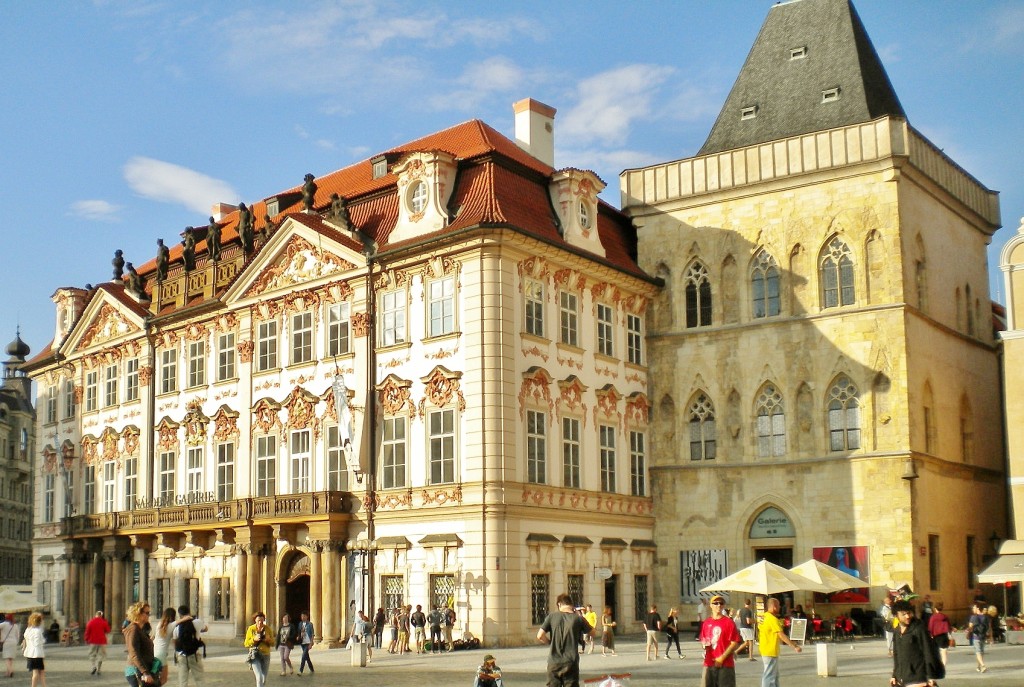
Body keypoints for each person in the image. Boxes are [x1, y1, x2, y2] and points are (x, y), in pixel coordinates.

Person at [537, 593, 592, 687]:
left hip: (554, 662)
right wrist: (580, 616)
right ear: (571, 605)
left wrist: (550, 642)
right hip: (571, 662)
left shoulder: (552, 616)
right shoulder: (578, 618)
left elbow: (540, 636)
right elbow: (593, 632)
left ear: (559, 604)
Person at [890, 599, 942, 687]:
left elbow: (928, 651)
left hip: (918, 676)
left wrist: (930, 676)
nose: (907, 616)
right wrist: (894, 675)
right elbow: (897, 655)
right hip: (901, 678)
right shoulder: (897, 631)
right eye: (903, 614)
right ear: (896, 616)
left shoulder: (918, 628)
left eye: (909, 613)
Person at [700, 594, 741, 687]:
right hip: (709, 663)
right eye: (715, 603)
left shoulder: (729, 622)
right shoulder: (706, 623)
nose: (718, 605)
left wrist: (721, 658)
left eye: (721, 603)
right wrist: (704, 645)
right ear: (710, 605)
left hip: (725, 664)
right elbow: (703, 639)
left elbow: (734, 643)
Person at [759, 597, 802, 687]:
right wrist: (794, 646)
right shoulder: (772, 619)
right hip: (770, 649)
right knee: (769, 675)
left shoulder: (764, 616)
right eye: (778, 605)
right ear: (774, 606)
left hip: (765, 648)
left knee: (774, 675)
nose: (779, 607)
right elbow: (781, 635)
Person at [122, 602, 157, 687]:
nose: (149, 615)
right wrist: (144, 672)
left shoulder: (140, 629)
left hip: (143, 668)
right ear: (138, 613)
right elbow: (133, 652)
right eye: (147, 613)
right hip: (136, 670)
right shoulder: (133, 629)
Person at [172, 605, 207, 687]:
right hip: (194, 654)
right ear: (189, 612)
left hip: (181, 655)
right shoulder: (197, 622)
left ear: (179, 614)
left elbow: (174, 641)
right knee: (199, 679)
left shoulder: (177, 626)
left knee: (183, 681)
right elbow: (205, 628)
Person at [243, 612, 275, 687]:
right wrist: (254, 639)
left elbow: (273, 643)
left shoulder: (268, 629)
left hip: (266, 655)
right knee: (259, 677)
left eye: (262, 620)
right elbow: (246, 643)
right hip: (255, 655)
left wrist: (268, 640)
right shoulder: (251, 629)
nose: (260, 622)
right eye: (258, 621)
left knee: (263, 678)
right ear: (255, 620)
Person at [151, 608, 176, 686]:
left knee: (155, 676)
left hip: (154, 652)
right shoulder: (172, 625)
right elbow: (182, 621)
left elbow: (152, 637)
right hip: (162, 654)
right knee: (163, 679)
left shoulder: (159, 624)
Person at [84, 610, 111, 676]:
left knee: (92, 654)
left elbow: (87, 631)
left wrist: (86, 639)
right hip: (102, 641)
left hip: (93, 641)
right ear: (101, 615)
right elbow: (108, 630)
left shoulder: (90, 622)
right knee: (101, 655)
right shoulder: (104, 622)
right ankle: (99, 669)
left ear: (95, 615)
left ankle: (94, 666)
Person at [23, 612, 47, 687]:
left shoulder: (28, 630)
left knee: (37, 672)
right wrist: (43, 640)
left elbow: (25, 639)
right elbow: (38, 642)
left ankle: (42, 685)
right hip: (37, 653)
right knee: (38, 672)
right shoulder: (38, 631)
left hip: (29, 653)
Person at [926, 602, 950, 666]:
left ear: (935, 608)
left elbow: (930, 627)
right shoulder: (945, 617)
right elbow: (948, 626)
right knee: (944, 652)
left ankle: (937, 665)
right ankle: (943, 665)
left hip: (935, 636)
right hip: (944, 636)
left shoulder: (933, 617)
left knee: (936, 652)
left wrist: (930, 635)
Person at [966, 603, 988, 672]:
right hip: (983, 636)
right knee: (981, 652)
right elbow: (988, 627)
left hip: (976, 636)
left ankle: (983, 665)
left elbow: (970, 627)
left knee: (978, 652)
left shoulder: (973, 617)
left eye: (974, 608)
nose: (973, 609)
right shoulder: (985, 617)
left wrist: (968, 633)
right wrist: (990, 636)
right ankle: (978, 666)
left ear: (978, 608)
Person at [2, 613, 21, 678]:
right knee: (11, 658)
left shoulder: (4, 624)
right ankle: (8, 672)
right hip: (14, 642)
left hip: (6, 642)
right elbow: (18, 635)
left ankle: (10, 670)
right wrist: (17, 642)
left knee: (7, 658)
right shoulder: (15, 625)